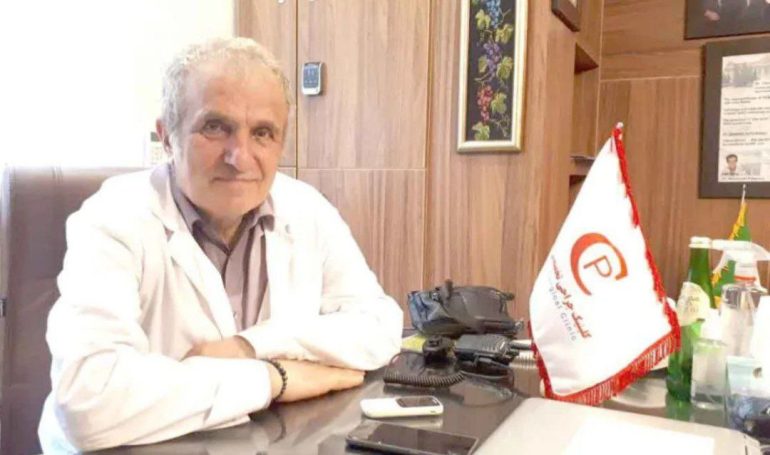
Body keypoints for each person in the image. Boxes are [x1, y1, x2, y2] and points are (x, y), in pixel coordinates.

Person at [37, 38, 403, 453]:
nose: (240, 157)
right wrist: (274, 378)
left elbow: (379, 325)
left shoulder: (307, 209)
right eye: (215, 127)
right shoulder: (114, 216)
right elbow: (88, 401)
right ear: (167, 137)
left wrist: (249, 347)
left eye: (262, 133)